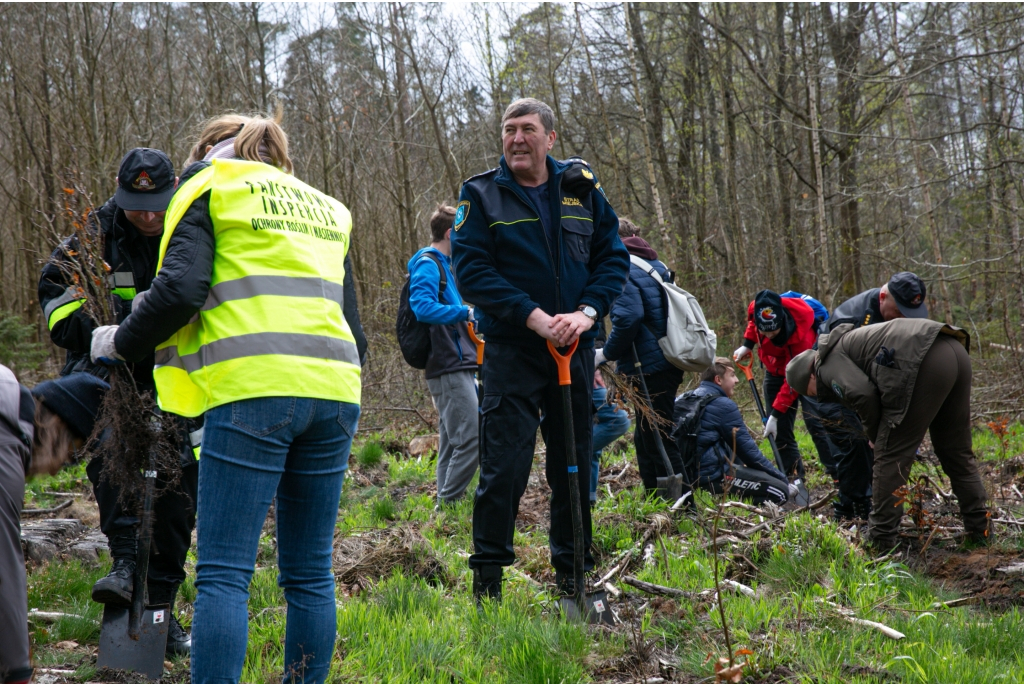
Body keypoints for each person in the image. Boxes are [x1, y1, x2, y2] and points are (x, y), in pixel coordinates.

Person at [88, 113, 362, 684]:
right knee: (311, 573)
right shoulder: (326, 207)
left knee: (223, 574)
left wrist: (122, 340)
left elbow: (181, 288)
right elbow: (354, 328)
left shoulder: (207, 187)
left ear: (207, 151)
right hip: (335, 390)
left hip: (252, 390)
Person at [451, 98, 629, 602]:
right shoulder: (481, 194)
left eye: (528, 129)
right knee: (504, 469)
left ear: (550, 138)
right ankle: (488, 583)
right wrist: (533, 317)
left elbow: (612, 259)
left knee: (572, 465)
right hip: (513, 351)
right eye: (509, 130)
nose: (517, 139)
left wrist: (587, 313)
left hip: (573, 349)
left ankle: (573, 578)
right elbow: (473, 273)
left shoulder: (581, 190)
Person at [37, 147, 194, 656]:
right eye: (135, 205)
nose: (147, 216)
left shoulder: (191, 226)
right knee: (113, 456)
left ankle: (161, 608)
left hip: (175, 377)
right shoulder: (94, 234)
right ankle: (125, 563)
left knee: (175, 489)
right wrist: (97, 334)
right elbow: (54, 293)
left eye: (156, 205)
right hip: (105, 371)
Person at [786, 318, 990, 549]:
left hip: (922, 359)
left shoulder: (825, 364)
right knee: (955, 451)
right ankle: (979, 529)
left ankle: (880, 541)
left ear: (810, 377)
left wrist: (874, 435)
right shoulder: (843, 346)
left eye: (810, 393)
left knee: (889, 456)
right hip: (953, 349)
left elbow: (862, 394)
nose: (815, 397)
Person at [1, 369, 109, 685]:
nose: (55, 472)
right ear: (57, 429)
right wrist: (17, 671)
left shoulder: (7, 394)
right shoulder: (4, 435)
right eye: (72, 456)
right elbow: (4, 566)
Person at [819, 272, 929, 520]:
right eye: (899, 311)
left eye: (909, 312)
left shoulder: (902, 313)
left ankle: (876, 501)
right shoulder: (850, 321)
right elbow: (853, 383)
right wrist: (871, 427)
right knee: (856, 444)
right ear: (883, 297)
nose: (905, 318)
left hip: (875, 388)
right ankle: (850, 507)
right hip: (838, 389)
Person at [599, 222, 685, 494]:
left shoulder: (622, 265)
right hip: (665, 359)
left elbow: (629, 317)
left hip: (649, 365)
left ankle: (684, 504)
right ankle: (655, 496)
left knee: (658, 435)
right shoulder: (654, 264)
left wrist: (605, 353)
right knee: (646, 435)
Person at [407, 205, 479, 506]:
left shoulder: (446, 267)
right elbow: (421, 307)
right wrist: (466, 311)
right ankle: (447, 504)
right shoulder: (428, 265)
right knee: (474, 437)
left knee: (451, 441)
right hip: (446, 366)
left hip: (457, 363)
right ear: (451, 233)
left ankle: (447, 507)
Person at [732, 289, 819, 480]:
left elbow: (793, 383)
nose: (769, 335)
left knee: (817, 425)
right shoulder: (757, 308)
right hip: (773, 371)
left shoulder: (801, 338)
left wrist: (775, 415)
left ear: (782, 321)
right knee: (780, 433)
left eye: (773, 331)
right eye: (765, 331)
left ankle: (838, 476)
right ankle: (793, 477)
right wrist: (748, 343)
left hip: (805, 373)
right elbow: (752, 322)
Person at [681, 357, 792, 505]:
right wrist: (783, 479)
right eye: (732, 375)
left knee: (727, 441)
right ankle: (738, 508)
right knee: (780, 492)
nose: (737, 380)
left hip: (686, 477)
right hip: (710, 478)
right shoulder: (723, 405)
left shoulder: (685, 398)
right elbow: (750, 454)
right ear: (718, 380)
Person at [590, 362, 630, 506]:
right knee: (619, 419)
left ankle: (588, 499)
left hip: (592, 369)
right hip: (578, 369)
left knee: (592, 431)